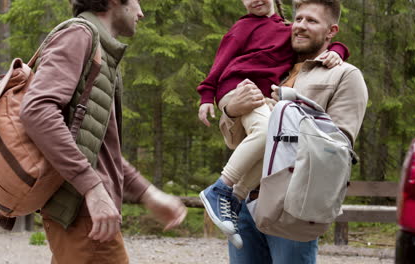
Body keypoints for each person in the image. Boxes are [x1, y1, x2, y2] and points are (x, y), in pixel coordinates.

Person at [19, 0, 187, 263]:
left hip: (87, 214)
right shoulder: (79, 35)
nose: (141, 12)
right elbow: (36, 111)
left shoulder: (98, 47)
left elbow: (100, 148)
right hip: (84, 213)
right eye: (136, 1)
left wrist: (147, 193)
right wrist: (93, 188)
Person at [221, 0, 369, 263]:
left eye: (311, 21)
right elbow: (235, 142)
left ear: (331, 31)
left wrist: (289, 107)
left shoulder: (345, 75)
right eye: (298, 19)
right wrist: (231, 111)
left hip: (292, 210)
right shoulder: (272, 67)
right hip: (243, 204)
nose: (300, 26)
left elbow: (337, 149)